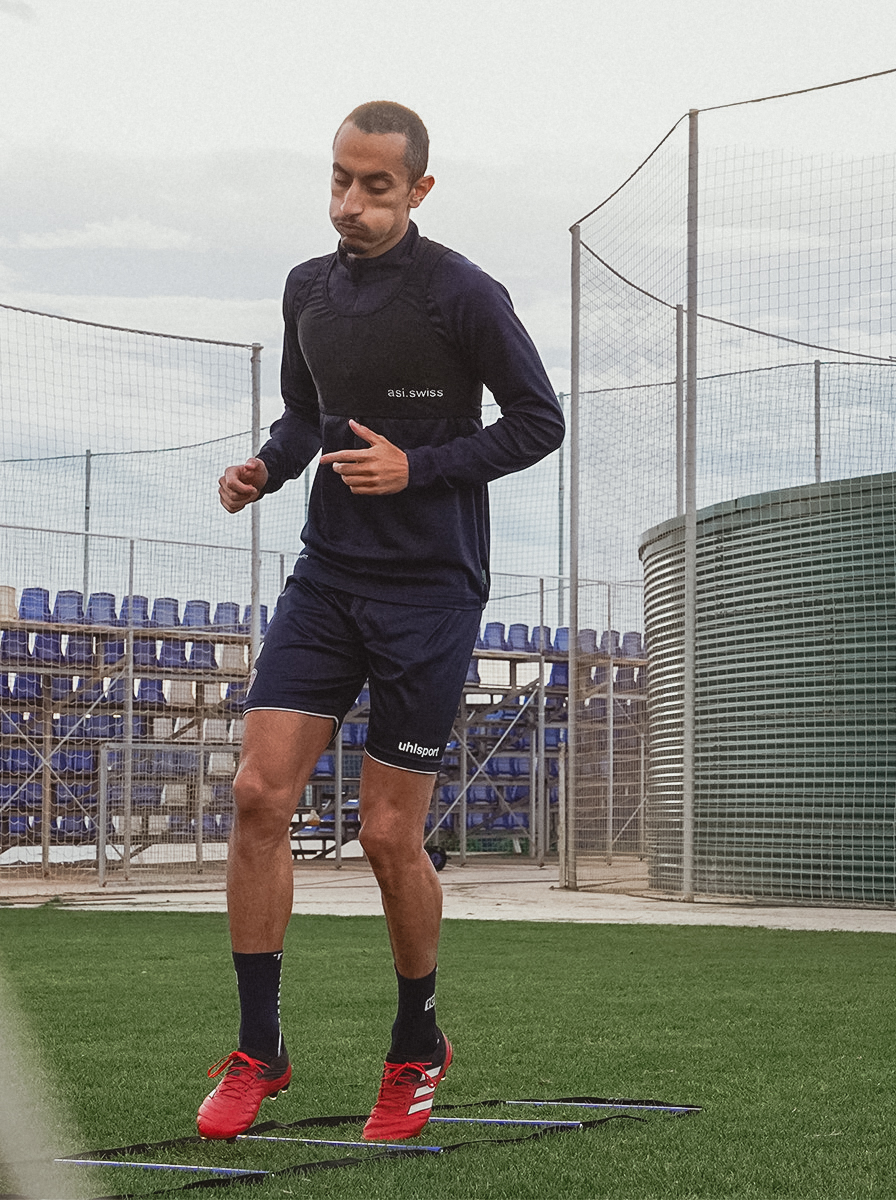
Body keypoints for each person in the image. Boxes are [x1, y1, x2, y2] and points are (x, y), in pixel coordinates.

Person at [200, 100, 563, 1143]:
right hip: (327, 578)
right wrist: (266, 468)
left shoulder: (465, 294)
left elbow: (539, 421)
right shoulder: (307, 288)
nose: (350, 204)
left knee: (385, 833)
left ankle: (415, 1047)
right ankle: (259, 1052)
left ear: (418, 190)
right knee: (259, 795)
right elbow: (306, 416)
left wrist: (422, 466)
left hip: (431, 592)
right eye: (339, 181)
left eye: (375, 187)